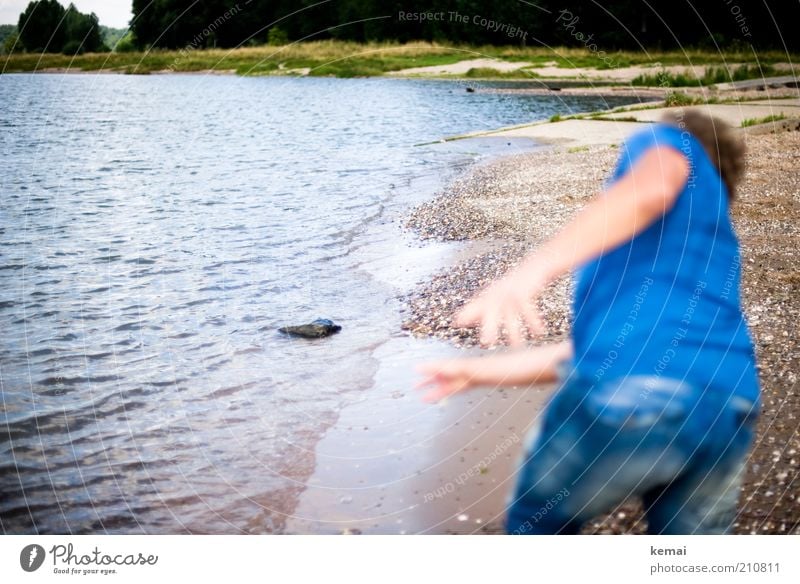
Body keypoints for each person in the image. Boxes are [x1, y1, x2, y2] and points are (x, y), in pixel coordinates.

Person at [416, 108, 760, 535]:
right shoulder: (707, 243)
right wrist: (476, 371)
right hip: (729, 405)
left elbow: (650, 186)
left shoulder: (674, 143)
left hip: (639, 394)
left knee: (535, 525)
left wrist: (530, 271)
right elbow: (583, 354)